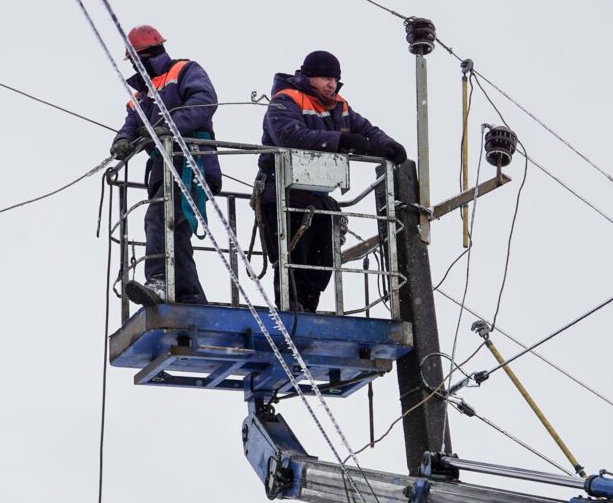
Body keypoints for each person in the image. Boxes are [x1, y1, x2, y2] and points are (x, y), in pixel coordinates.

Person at [256, 51, 408, 312]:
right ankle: (290, 308)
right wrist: (339, 141)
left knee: (323, 255)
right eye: (326, 78)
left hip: (316, 194)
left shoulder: (340, 107)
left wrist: (388, 146)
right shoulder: (285, 100)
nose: (331, 84)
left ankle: (308, 308)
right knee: (292, 257)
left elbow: (367, 131)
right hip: (280, 190)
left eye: (335, 79)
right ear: (309, 77)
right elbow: (289, 136)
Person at [110, 25, 221, 306]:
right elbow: (131, 125)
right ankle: (190, 297)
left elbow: (204, 102)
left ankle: (159, 281)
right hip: (163, 168)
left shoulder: (184, 71)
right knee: (176, 234)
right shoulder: (141, 96)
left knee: (159, 219)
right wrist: (123, 140)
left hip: (191, 161)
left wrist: (168, 127)